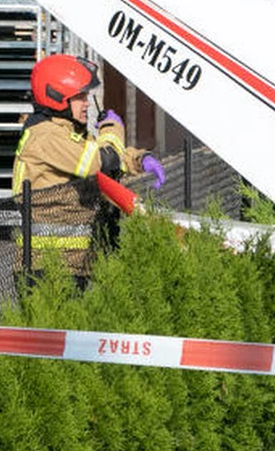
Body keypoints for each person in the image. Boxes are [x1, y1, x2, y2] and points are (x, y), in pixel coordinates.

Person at [11, 54, 164, 286]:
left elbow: (103, 157)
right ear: (56, 97)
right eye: (79, 97)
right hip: (47, 266)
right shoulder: (46, 136)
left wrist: (139, 160)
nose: (86, 103)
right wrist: (111, 128)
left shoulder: (64, 131)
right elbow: (99, 160)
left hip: (72, 262)